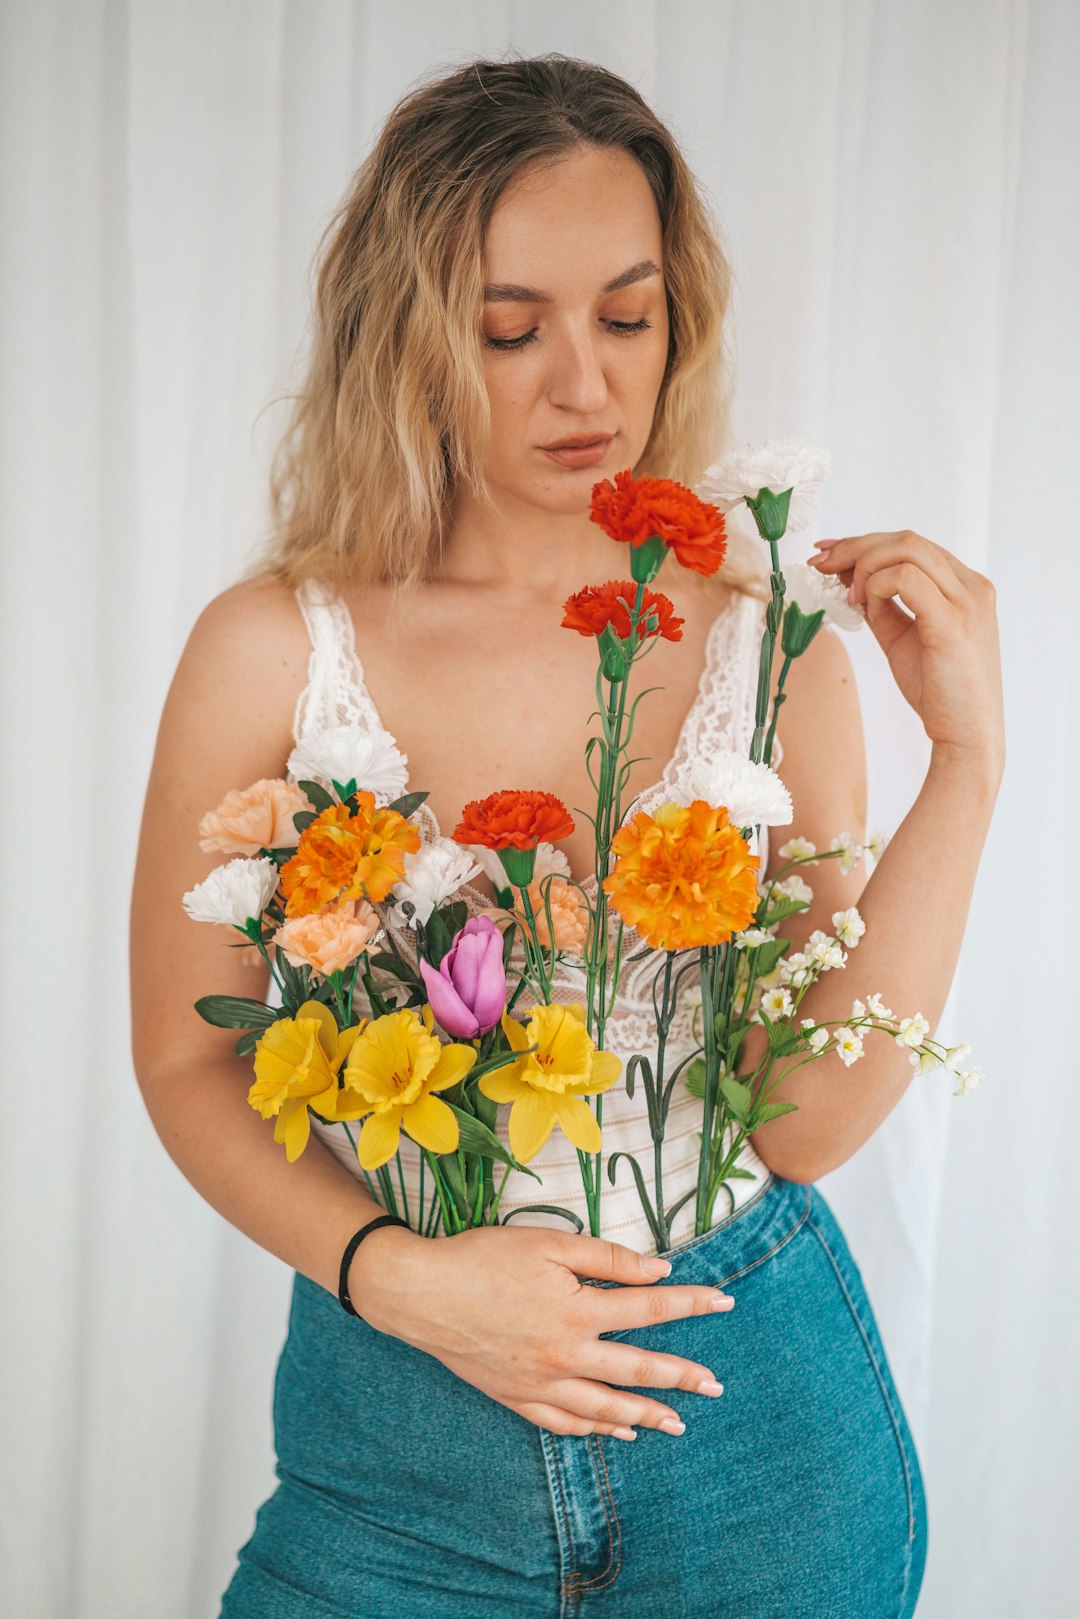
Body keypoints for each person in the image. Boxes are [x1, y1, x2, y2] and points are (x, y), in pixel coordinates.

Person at [129, 52, 1004, 1619]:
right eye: (507, 328)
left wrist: (971, 755)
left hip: (758, 1440)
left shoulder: (769, 638)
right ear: (404, 334)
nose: (585, 386)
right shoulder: (273, 645)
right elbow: (193, 1058)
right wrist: (404, 1279)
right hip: (391, 1450)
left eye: (627, 314)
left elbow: (800, 1121)